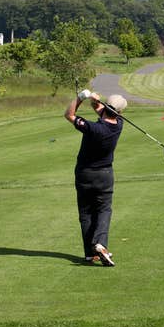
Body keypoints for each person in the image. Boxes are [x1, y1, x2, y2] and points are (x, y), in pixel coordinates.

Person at [64, 90, 127, 266]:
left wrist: (80, 98)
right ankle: (100, 243)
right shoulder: (119, 124)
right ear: (119, 113)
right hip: (105, 175)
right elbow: (101, 110)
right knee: (104, 210)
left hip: (84, 174)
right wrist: (94, 100)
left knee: (86, 213)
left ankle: (90, 254)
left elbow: (69, 115)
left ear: (106, 107)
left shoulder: (93, 127)